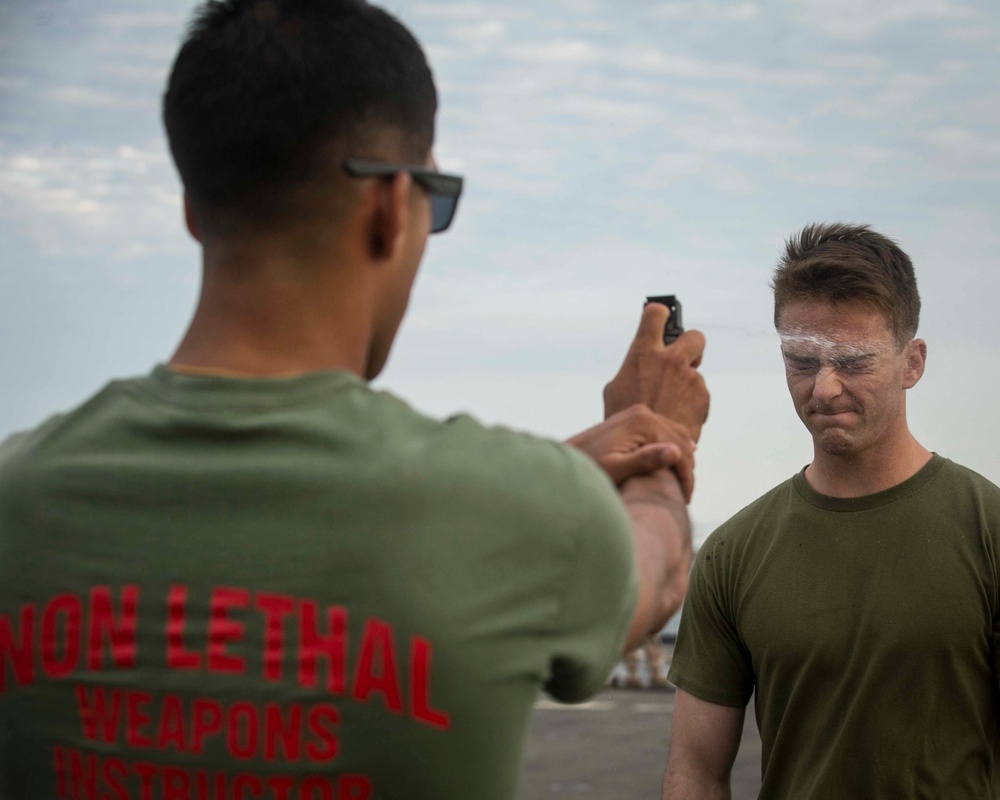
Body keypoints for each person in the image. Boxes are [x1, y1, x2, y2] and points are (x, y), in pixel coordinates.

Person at [0, 2, 709, 799]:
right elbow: (660, 572)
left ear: (195, 210)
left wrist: (570, 462)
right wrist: (659, 436)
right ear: (386, 208)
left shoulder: (16, 492)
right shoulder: (521, 511)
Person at [662, 222, 1000, 799]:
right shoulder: (731, 553)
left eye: (853, 361)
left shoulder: (988, 529)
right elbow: (695, 772)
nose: (824, 389)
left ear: (912, 362)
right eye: (801, 361)